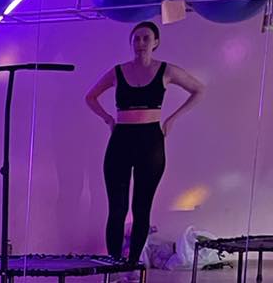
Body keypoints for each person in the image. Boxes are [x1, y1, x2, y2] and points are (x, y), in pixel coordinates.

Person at [85, 22, 204, 269]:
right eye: (136, 39)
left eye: (146, 38)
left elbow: (198, 89)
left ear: (155, 42)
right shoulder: (118, 71)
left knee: (141, 207)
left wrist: (172, 119)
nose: (140, 43)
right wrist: (108, 119)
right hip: (121, 139)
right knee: (117, 208)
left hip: (150, 141)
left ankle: (132, 265)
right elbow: (90, 96)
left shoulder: (166, 70)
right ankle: (115, 263)